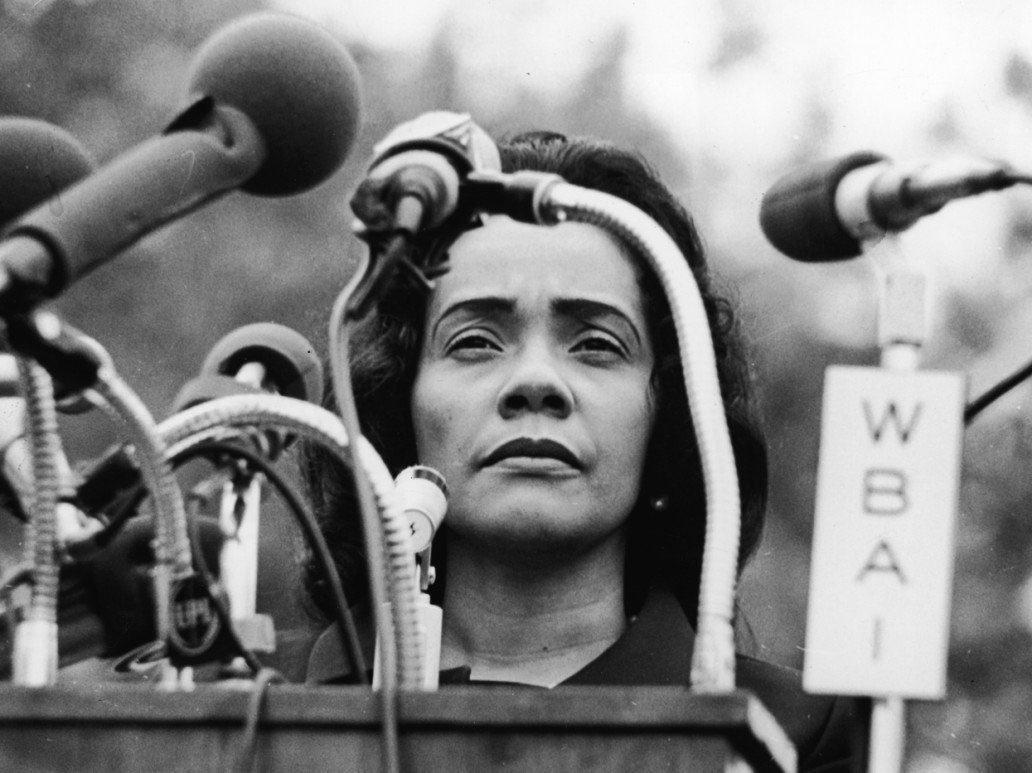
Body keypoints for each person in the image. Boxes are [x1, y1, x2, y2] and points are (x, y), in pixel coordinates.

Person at [302, 131, 867, 770]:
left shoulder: (797, 738)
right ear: (399, 397)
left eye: (597, 344)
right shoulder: (243, 697)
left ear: (673, 412)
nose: (535, 380)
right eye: (476, 342)